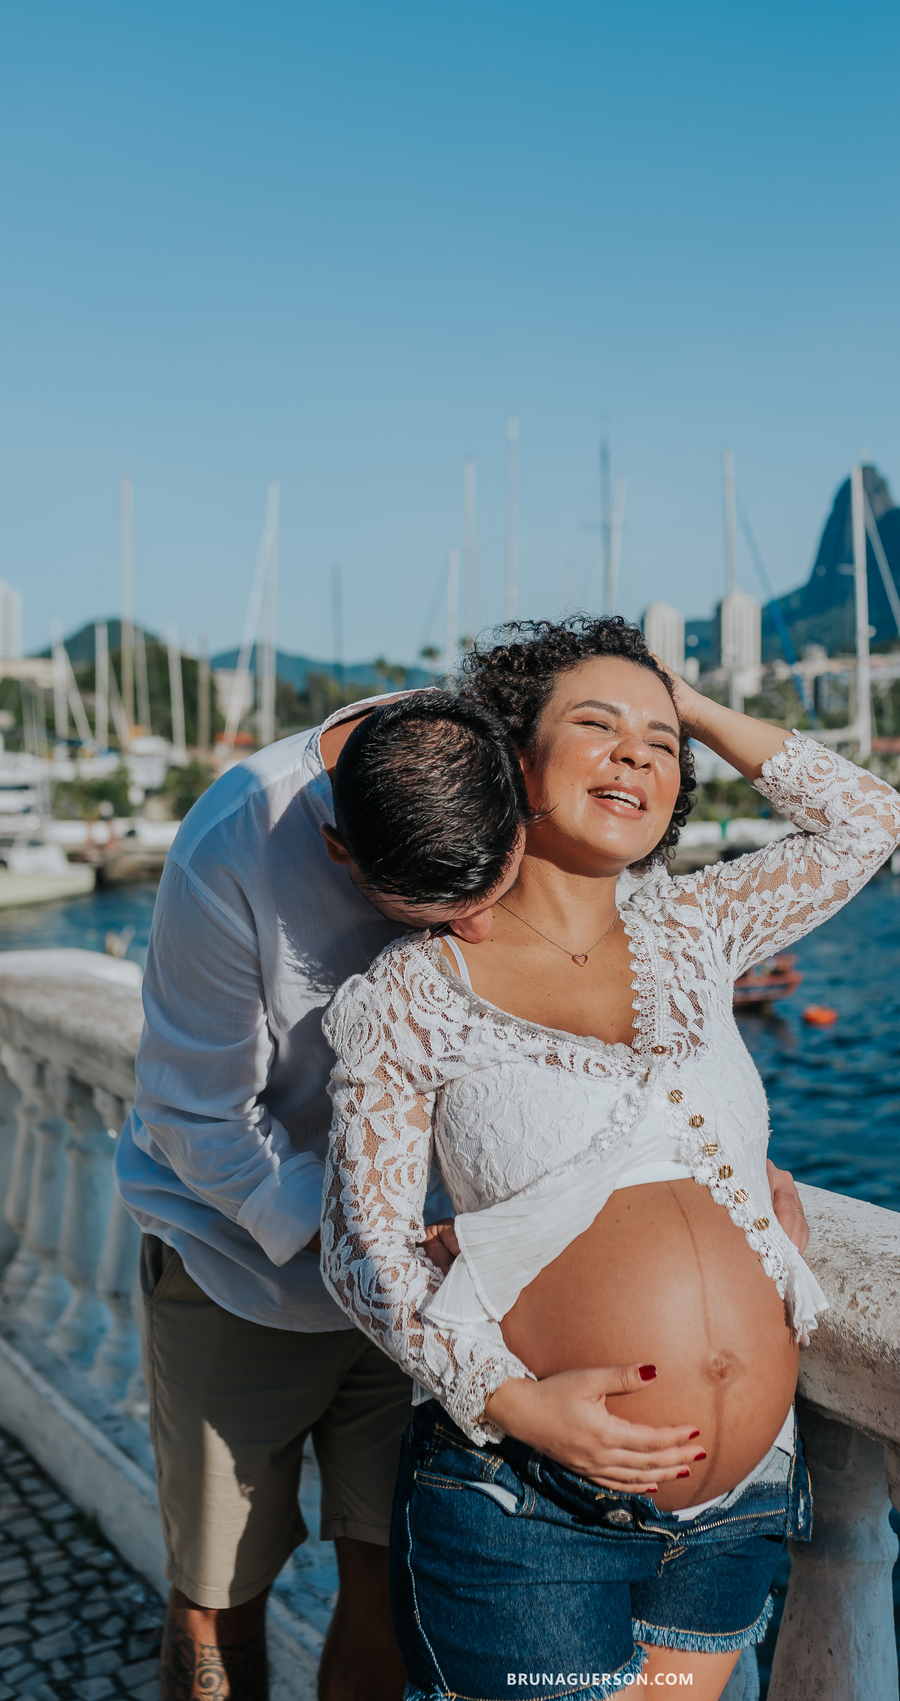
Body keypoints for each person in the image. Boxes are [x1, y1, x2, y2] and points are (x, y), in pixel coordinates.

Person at [320, 618, 900, 1701]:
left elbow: (869, 819)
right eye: (596, 726)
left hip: (730, 1513)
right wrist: (515, 1403)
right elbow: (363, 1255)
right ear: (514, 762)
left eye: (662, 741)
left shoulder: (696, 924)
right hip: (529, 1506)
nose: (639, 751)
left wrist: (687, 703)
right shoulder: (414, 988)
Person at [115, 689, 531, 1701]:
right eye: (441, 915)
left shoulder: (487, 757)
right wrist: (363, 1238)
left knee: (394, 1579)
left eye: (496, 886)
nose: (482, 929)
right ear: (343, 855)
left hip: (420, 1289)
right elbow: (196, 1116)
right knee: (220, 1593)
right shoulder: (231, 850)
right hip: (237, 1274)